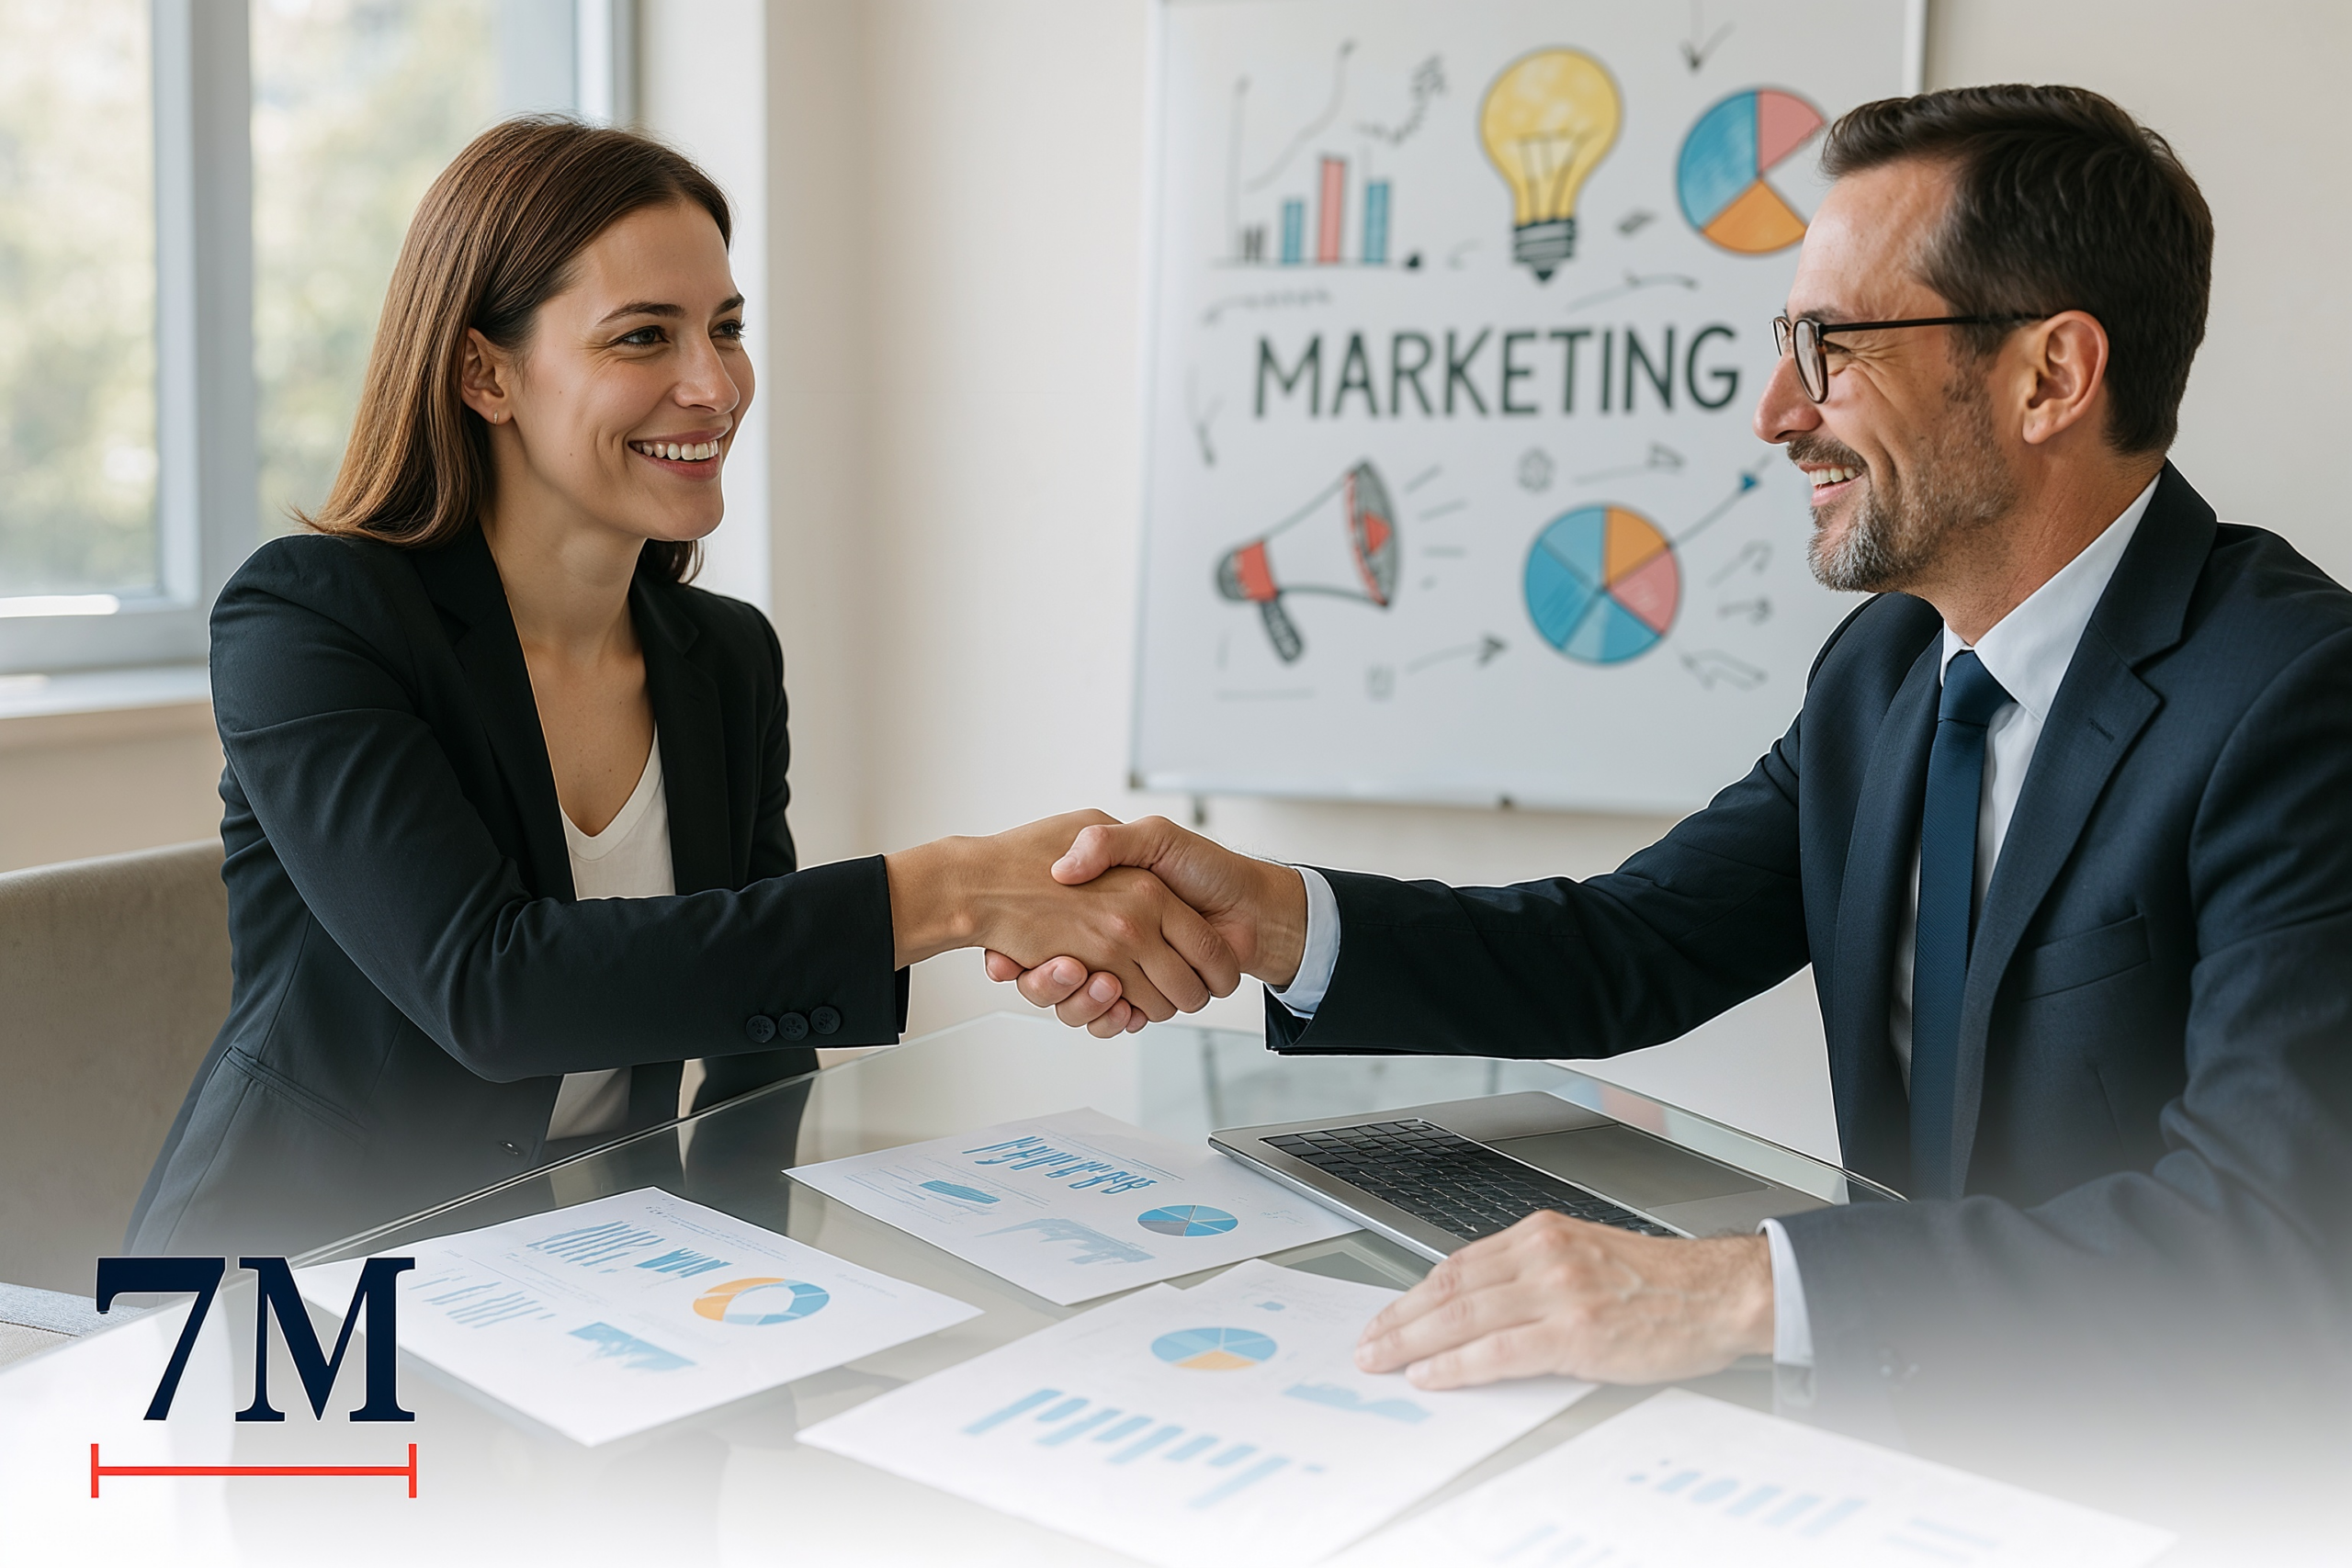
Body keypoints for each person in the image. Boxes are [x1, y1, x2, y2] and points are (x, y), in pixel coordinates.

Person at [996, 85, 2352, 1483]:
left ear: (2050, 376)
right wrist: (1271, 921)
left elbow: (2264, 1235)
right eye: (1787, 345)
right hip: (1901, 1456)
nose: (1776, 412)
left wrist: (1730, 1288)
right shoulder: (1882, 671)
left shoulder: (2301, 700)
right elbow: (1628, 945)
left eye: (1830, 346)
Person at [130, 118, 1234, 1260]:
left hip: (610, 1277)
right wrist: (951, 892)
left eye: (727, 329)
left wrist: (757, 1297)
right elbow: (490, 990)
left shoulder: (726, 658)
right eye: (643, 337)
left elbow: (759, 1054)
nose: (712, 385)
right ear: (484, 371)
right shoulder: (312, 616)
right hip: (308, 1287)